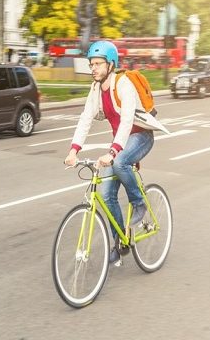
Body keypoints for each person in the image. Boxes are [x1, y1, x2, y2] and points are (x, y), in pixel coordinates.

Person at [63, 40, 170, 264]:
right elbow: (85, 119)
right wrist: (74, 150)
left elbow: (127, 121)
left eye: (98, 64)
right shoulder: (96, 89)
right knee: (106, 194)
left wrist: (113, 152)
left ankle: (139, 201)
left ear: (111, 64)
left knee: (120, 162)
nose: (93, 68)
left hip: (140, 136)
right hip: (121, 141)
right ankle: (120, 242)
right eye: (91, 64)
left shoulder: (123, 84)